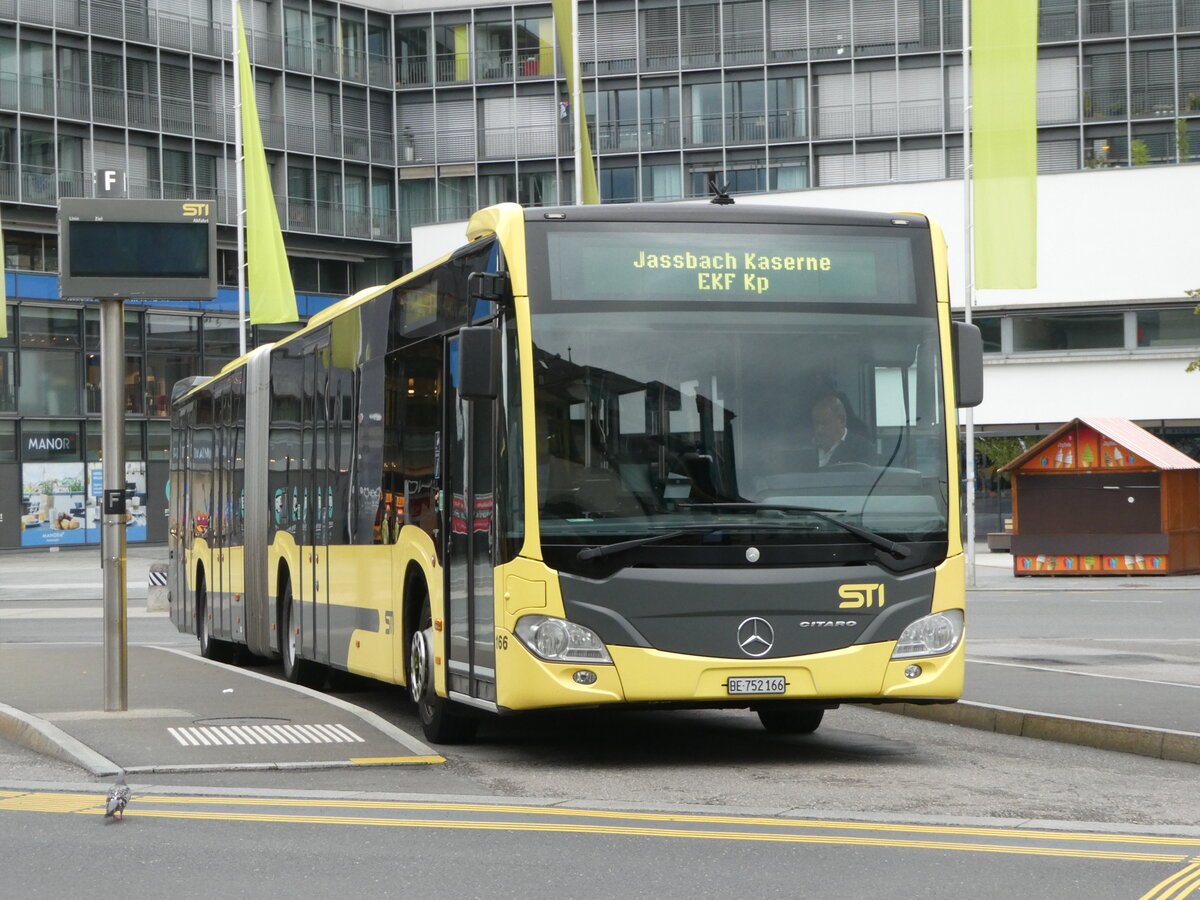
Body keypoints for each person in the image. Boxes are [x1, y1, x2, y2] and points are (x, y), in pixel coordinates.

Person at [810, 394, 875, 466]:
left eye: (824, 423)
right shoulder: (804, 446)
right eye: (816, 423)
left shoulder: (863, 449)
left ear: (842, 421)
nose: (819, 429)